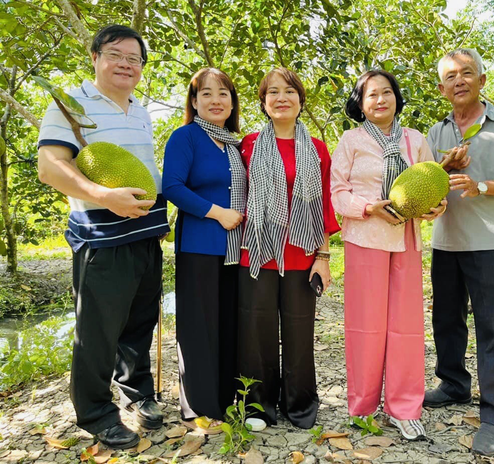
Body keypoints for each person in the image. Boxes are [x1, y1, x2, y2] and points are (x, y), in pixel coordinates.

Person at [37, 25, 169, 449]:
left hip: (147, 233)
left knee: (139, 323)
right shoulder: (70, 105)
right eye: (116, 54)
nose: (126, 64)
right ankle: (95, 413)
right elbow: (50, 166)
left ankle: (137, 394)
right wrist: (101, 195)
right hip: (102, 237)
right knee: (98, 330)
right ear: (95, 57)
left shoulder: (141, 109)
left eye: (134, 59)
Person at [330, 70, 453, 441]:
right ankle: (363, 407)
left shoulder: (415, 140)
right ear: (360, 104)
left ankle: (404, 408)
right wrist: (369, 207)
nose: (380, 100)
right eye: (371, 95)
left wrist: (437, 208)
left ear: (397, 97)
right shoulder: (350, 140)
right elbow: (337, 192)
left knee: (406, 328)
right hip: (365, 237)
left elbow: (433, 185)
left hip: (407, 240)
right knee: (365, 327)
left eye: (386, 92)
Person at [423, 48, 494, 457]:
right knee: (447, 320)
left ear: (482, 80)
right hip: (445, 241)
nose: (459, 81)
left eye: (467, 74)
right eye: (450, 77)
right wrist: (444, 169)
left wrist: (481, 185)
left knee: (492, 327)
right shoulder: (436, 134)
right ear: (441, 88)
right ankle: (453, 384)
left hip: (487, 241)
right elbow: (429, 189)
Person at [237, 67, 340, 431]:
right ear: (264, 103)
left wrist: (323, 258)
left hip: (302, 253)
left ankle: (300, 404)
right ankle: (258, 408)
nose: (282, 98)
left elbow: (325, 204)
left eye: (290, 91)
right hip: (258, 253)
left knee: (299, 334)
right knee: (257, 333)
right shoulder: (247, 144)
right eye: (273, 92)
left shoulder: (317, 148)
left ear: (300, 100)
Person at [162, 68, 245, 424]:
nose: (216, 100)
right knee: (199, 327)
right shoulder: (185, 138)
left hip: (236, 248)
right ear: (194, 102)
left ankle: (226, 398)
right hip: (199, 245)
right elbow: (173, 188)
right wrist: (217, 214)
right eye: (207, 94)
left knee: (228, 323)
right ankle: (198, 405)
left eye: (223, 93)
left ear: (232, 102)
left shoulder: (234, 143)